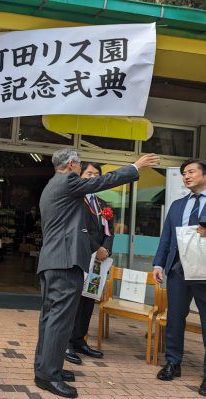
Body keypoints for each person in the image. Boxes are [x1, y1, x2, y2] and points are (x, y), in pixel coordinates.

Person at [33, 148, 159, 398]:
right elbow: (102, 181)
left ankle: (46, 369)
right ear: (72, 164)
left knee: (50, 319)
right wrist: (134, 167)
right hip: (65, 261)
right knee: (59, 320)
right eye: (80, 167)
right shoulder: (68, 180)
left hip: (53, 260)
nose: (82, 173)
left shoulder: (52, 184)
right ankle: (49, 375)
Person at [153, 159, 206, 396]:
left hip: (205, 273)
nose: (186, 176)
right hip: (177, 271)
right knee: (174, 319)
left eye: (191, 171)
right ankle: (173, 362)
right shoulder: (177, 205)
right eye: (184, 173)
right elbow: (166, 238)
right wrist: (158, 263)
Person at [65, 162, 113, 365]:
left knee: (88, 299)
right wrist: (97, 248)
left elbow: (110, 230)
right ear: (80, 175)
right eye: (89, 173)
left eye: (97, 174)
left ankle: (79, 340)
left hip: (98, 261)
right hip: (80, 256)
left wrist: (106, 249)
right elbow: (78, 228)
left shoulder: (103, 204)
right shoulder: (75, 200)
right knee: (74, 300)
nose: (93, 176)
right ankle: (66, 342)